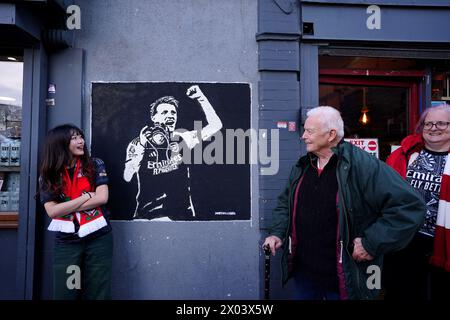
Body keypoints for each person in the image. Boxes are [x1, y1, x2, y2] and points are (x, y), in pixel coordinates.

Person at [262, 106, 425, 300]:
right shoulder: (304, 165)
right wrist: (277, 232)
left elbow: (410, 206)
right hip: (305, 272)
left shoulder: (363, 165)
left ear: (331, 134)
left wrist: (371, 242)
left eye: (309, 131)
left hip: (345, 276)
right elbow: (285, 203)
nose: (303, 136)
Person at [123, 85, 222, 221]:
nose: (170, 115)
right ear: (153, 117)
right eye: (164, 112)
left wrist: (201, 98)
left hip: (181, 215)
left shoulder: (183, 137)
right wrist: (141, 145)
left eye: (173, 112)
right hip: (150, 216)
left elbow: (216, 126)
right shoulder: (138, 142)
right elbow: (127, 176)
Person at [384, 103, 450, 300]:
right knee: (403, 291)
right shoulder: (404, 154)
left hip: (443, 241)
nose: (434, 128)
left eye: (441, 123)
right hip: (405, 240)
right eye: (428, 124)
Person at [39, 124, 113, 300]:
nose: (81, 141)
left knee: (98, 292)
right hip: (67, 242)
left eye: (81, 136)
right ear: (60, 143)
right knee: (67, 292)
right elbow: (52, 212)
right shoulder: (49, 174)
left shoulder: (95, 164)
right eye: (74, 138)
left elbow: (102, 198)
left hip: (99, 238)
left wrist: (64, 206)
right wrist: (85, 197)